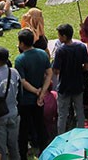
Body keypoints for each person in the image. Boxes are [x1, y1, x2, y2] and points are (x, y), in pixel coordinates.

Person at [15, 29, 51, 160]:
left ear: (22, 43)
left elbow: (22, 81)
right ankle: (44, 152)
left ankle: (23, 155)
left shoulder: (20, 59)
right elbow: (49, 74)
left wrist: (36, 91)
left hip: (25, 100)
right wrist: (42, 92)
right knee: (40, 125)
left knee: (23, 129)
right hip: (39, 100)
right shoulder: (42, 54)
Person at [52, 24, 88, 134]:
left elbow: (56, 70)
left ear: (64, 36)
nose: (58, 38)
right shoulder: (81, 47)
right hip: (78, 85)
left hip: (64, 86)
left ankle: (61, 136)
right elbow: (87, 66)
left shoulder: (60, 51)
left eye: (59, 35)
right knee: (80, 112)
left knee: (62, 115)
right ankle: (81, 135)